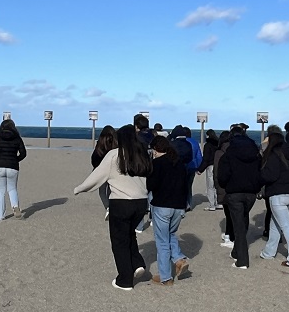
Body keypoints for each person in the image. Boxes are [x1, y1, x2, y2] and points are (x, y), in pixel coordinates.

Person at [74, 124, 151, 290]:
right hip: (140, 203)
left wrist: (79, 188)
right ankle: (137, 263)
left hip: (121, 203)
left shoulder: (114, 155)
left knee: (119, 242)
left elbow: (97, 176)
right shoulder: (142, 154)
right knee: (129, 234)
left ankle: (125, 280)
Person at [217, 125, 263, 269]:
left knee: (238, 226)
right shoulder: (255, 153)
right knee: (243, 220)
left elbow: (222, 176)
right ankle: (236, 251)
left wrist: (227, 185)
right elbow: (260, 171)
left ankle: (242, 261)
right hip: (251, 193)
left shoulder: (229, 153)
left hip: (235, 192)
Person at [147, 135, 190, 286]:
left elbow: (150, 185)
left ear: (155, 149)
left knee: (162, 241)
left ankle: (165, 277)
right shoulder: (179, 163)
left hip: (162, 206)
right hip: (179, 206)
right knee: (170, 234)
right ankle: (179, 259)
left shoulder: (157, 163)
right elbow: (186, 186)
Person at [258, 131, 289, 269]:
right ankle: (268, 252)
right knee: (275, 224)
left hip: (278, 196)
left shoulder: (273, 155)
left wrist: (259, 176)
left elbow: (269, 176)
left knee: (286, 227)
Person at [0, 118, 27, 221]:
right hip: (13, 166)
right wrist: (16, 160)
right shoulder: (17, 137)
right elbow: (23, 153)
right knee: (12, 189)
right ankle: (15, 206)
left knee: (0, 191)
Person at [90, 125, 118, 218]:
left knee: (102, 192)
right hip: (114, 171)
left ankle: (108, 207)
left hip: (101, 171)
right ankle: (112, 207)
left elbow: (94, 159)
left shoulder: (100, 145)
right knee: (111, 191)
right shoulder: (116, 145)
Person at [213, 130, 233, 248]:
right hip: (234, 185)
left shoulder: (219, 152)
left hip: (223, 185)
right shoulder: (234, 150)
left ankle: (229, 236)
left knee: (228, 213)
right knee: (233, 213)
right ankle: (229, 234)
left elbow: (216, 172)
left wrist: (217, 186)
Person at [197, 129, 220, 210]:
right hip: (218, 166)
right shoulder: (218, 144)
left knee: (210, 186)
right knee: (217, 185)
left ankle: (212, 205)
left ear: (207, 136)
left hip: (210, 166)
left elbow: (206, 159)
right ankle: (218, 203)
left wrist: (200, 169)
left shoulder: (208, 145)